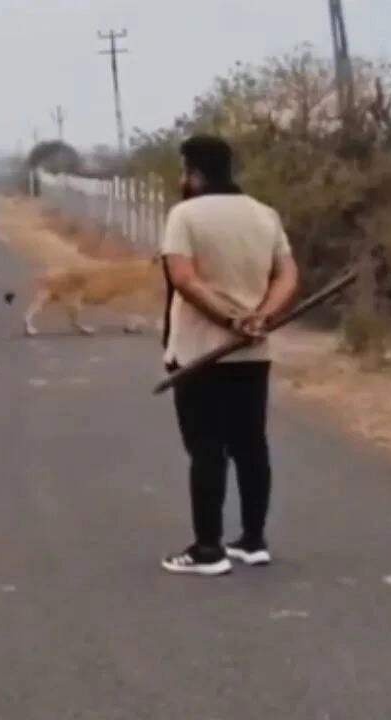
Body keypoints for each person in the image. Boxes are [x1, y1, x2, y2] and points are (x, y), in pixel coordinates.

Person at [157, 134, 300, 576]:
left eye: (185, 170)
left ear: (194, 171)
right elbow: (288, 275)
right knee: (251, 446)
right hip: (253, 356)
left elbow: (184, 278)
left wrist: (231, 319)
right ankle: (253, 541)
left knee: (206, 449)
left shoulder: (184, 215)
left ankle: (207, 550)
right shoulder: (264, 214)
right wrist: (261, 317)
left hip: (200, 354)